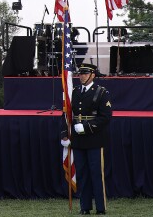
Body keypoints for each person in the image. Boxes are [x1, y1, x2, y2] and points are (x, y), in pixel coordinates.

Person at [61, 62, 112, 215]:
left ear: (92, 75)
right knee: (82, 173)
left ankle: (101, 208)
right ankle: (85, 207)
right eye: (80, 74)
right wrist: (65, 133)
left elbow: (106, 117)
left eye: (85, 74)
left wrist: (87, 126)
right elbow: (66, 114)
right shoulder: (74, 92)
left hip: (95, 138)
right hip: (78, 139)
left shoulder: (102, 93)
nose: (81, 76)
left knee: (96, 174)